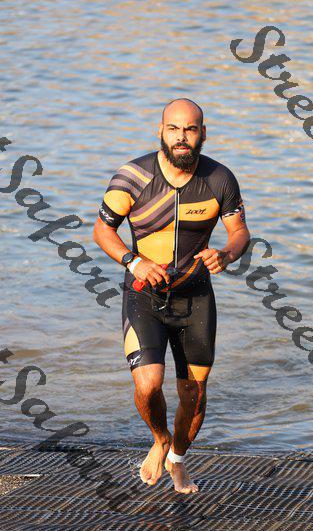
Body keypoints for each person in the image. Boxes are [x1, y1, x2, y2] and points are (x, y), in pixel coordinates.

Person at [93, 98, 250, 494]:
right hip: (143, 293)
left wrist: (227, 254)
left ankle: (177, 458)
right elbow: (102, 230)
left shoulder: (219, 179)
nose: (182, 137)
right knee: (148, 385)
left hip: (195, 296)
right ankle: (160, 439)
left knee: (194, 394)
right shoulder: (132, 177)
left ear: (202, 133)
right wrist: (133, 262)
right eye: (174, 129)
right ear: (160, 131)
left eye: (190, 129)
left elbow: (239, 232)